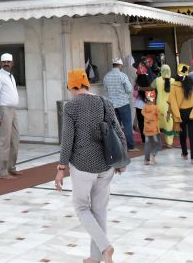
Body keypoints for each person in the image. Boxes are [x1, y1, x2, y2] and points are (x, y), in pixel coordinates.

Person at [56, 68, 126, 263]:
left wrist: (61, 169)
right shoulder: (105, 102)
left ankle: (105, 247)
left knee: (81, 208)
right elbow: (118, 133)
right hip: (106, 165)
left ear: (71, 86)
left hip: (82, 165)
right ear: (86, 83)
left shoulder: (71, 107)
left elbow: (67, 141)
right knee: (100, 210)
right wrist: (122, 160)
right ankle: (97, 258)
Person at [0, 52, 20, 179]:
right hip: (4, 110)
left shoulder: (11, 76)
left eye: (8, 62)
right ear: (0, 63)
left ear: (12, 63)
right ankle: (3, 172)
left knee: (15, 140)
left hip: (13, 110)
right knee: (5, 141)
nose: (6, 64)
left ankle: (11, 168)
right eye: (4, 62)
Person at [169, 66, 193, 164]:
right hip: (192, 112)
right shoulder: (192, 84)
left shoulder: (174, 86)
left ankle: (185, 153)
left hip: (180, 113)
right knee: (192, 135)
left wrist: (175, 114)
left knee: (182, 134)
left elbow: (172, 102)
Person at [103, 58, 135, 151]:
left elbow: (105, 89)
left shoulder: (106, 76)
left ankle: (118, 146)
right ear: (120, 65)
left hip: (112, 104)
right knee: (127, 125)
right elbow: (129, 89)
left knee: (115, 126)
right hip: (123, 103)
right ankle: (130, 146)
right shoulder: (123, 76)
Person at [154, 64, 176, 147]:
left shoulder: (157, 80)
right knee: (169, 124)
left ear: (161, 71)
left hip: (159, 105)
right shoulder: (173, 81)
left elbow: (149, 88)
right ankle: (169, 143)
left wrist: (139, 88)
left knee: (158, 123)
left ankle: (157, 142)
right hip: (169, 106)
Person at [141, 89, 161, 164]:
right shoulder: (155, 108)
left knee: (147, 144)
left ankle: (146, 160)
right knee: (158, 144)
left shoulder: (144, 108)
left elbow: (144, 114)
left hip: (147, 129)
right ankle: (154, 154)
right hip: (154, 129)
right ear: (154, 99)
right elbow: (159, 117)